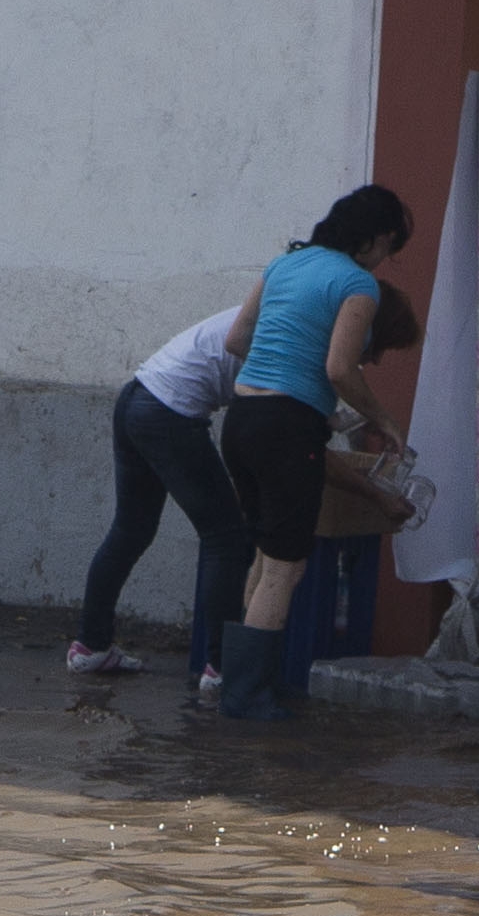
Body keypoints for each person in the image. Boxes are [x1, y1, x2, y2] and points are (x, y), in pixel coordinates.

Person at [70, 285, 421, 693]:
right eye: (377, 346)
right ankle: (221, 668)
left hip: (138, 395)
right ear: (365, 328)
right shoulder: (311, 350)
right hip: (170, 413)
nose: (373, 359)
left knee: (131, 529)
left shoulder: (297, 320)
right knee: (227, 539)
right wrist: (375, 494)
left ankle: (90, 646)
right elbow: (305, 445)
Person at [215, 186, 415, 719]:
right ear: (375, 238)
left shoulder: (285, 264)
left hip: (241, 419)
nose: (385, 260)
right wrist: (384, 420)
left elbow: (237, 340)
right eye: (389, 248)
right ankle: (248, 697)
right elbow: (339, 370)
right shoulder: (358, 283)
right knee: (286, 567)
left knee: (264, 555)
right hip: (286, 427)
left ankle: (240, 687)